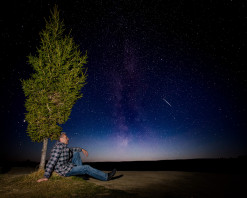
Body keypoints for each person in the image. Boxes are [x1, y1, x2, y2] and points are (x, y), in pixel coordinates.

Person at [37, 132, 116, 182]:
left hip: (67, 166)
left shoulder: (63, 147)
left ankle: (80, 175)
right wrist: (46, 176)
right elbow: (51, 162)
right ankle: (106, 177)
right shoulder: (58, 148)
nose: (68, 139)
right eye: (66, 137)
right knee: (86, 168)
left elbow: (71, 149)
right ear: (61, 139)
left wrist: (81, 149)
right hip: (64, 171)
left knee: (76, 152)